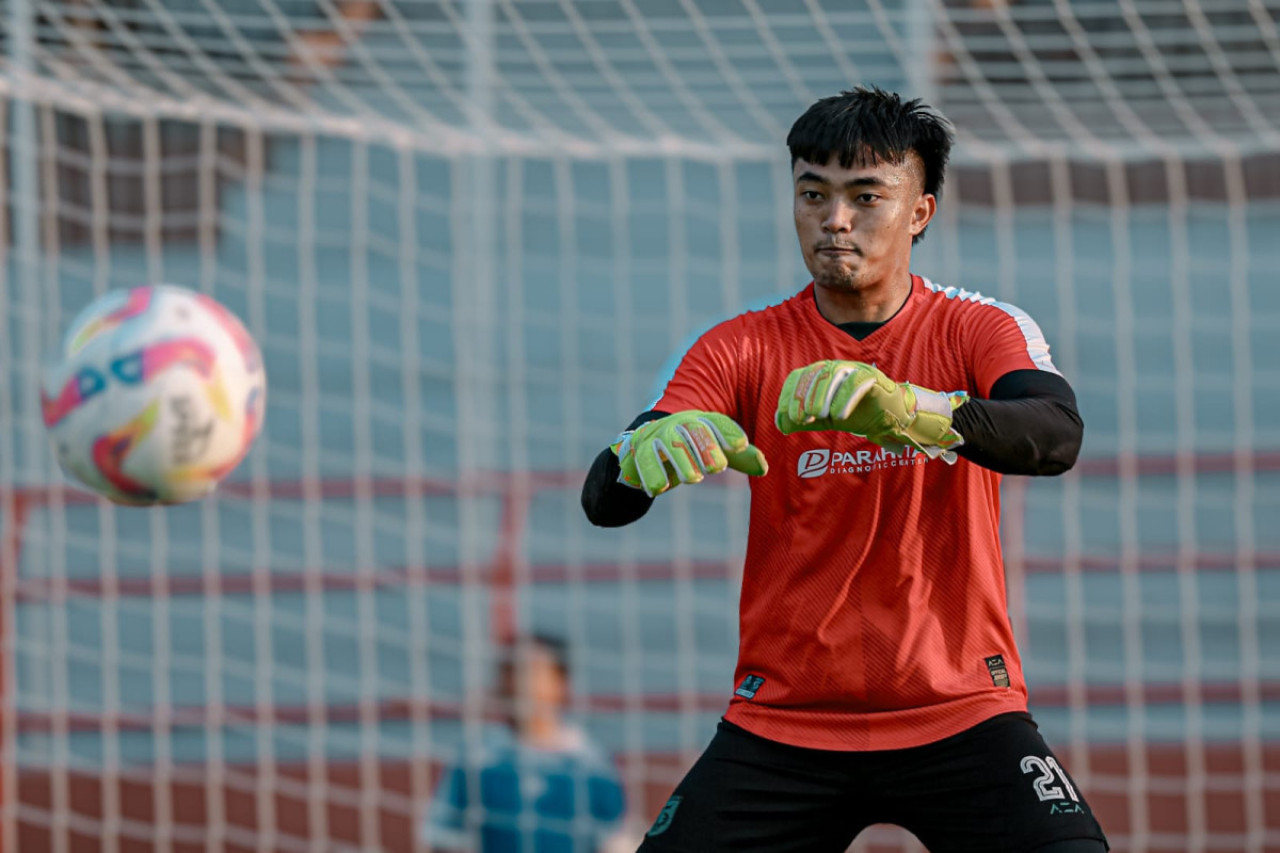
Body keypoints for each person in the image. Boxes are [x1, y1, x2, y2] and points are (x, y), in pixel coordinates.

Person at [581, 87, 1108, 852]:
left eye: (866, 197)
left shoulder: (980, 326)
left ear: (920, 211)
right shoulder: (739, 346)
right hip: (783, 723)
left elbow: (1056, 434)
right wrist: (639, 457)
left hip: (962, 710)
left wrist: (910, 411)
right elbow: (606, 499)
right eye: (813, 193)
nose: (835, 220)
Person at [421, 635, 628, 852]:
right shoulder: (477, 759)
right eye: (510, 670)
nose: (520, 682)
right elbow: (444, 838)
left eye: (533, 671)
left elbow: (614, 842)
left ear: (560, 683)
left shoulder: (592, 765)